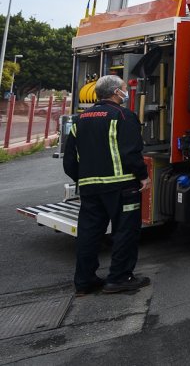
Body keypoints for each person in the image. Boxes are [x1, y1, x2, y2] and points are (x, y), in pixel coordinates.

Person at [62, 74, 150, 296]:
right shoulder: (123, 115)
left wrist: (83, 179)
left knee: (89, 235)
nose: (125, 92)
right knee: (125, 233)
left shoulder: (80, 119)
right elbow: (132, 153)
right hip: (122, 188)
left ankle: (84, 282)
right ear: (116, 93)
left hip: (91, 189)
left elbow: (70, 160)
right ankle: (119, 278)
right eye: (123, 89)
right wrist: (143, 176)